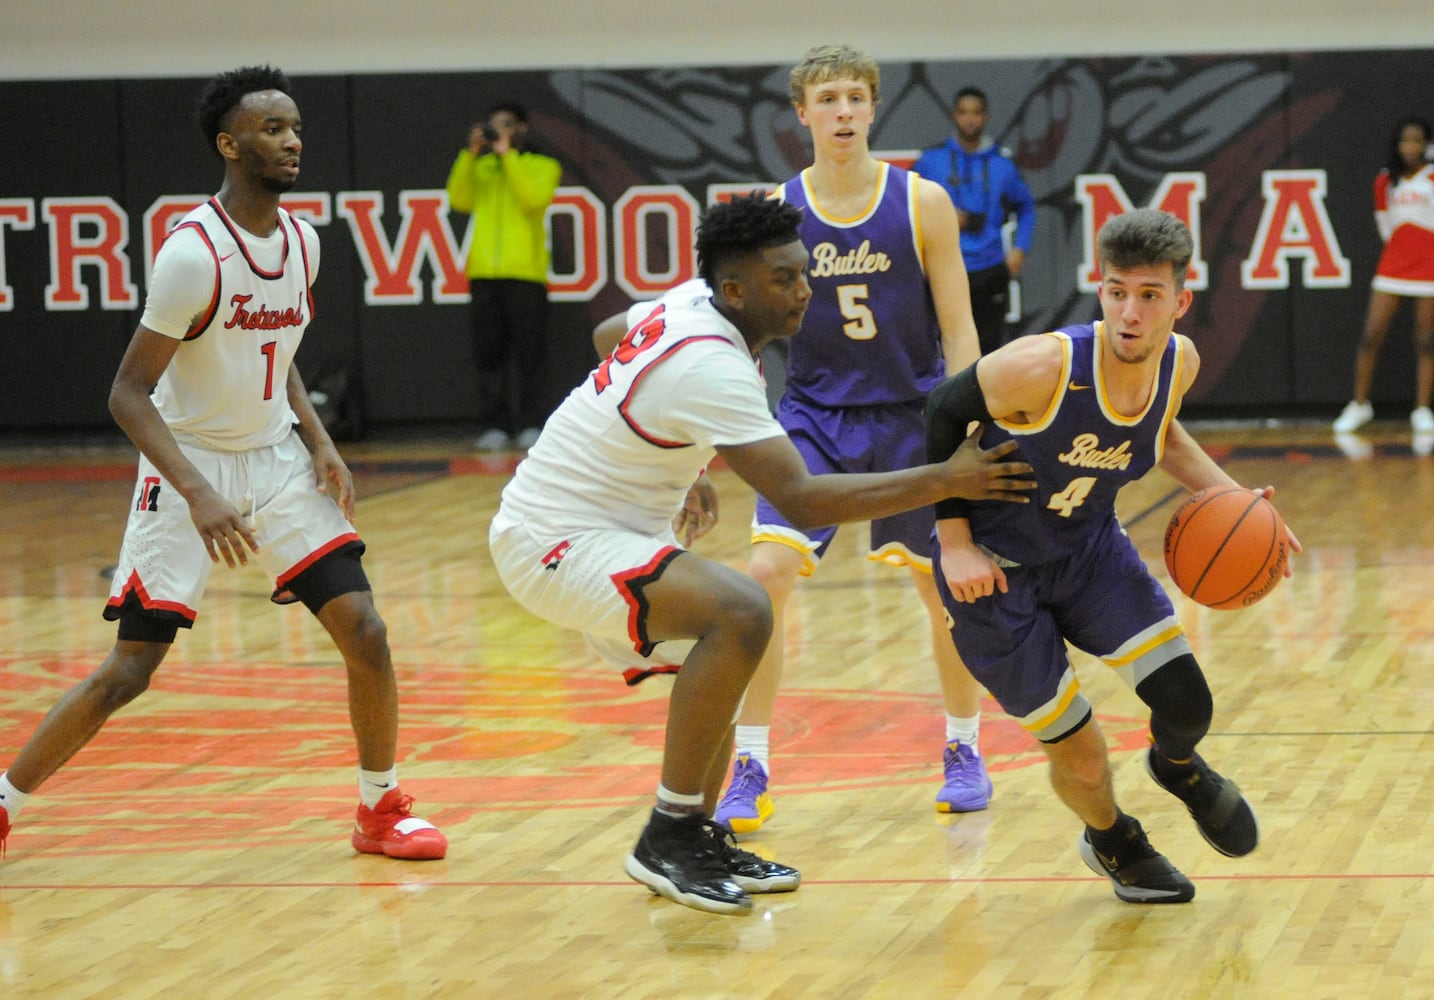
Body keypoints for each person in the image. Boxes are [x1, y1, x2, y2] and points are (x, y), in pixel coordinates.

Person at [489, 194, 1034, 916]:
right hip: (554, 540)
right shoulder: (709, 363)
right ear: (737, 289)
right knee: (743, 609)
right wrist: (946, 479)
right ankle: (665, 838)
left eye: (804, 272)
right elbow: (804, 500)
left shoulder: (695, 299)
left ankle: (694, 835)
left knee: (723, 658)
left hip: (608, 530)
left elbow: (607, 335)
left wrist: (687, 460)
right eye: (785, 278)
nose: (807, 288)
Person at [0, 66, 446, 863]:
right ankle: (3, 804)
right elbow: (128, 393)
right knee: (129, 672)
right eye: (273, 128)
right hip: (188, 465)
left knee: (367, 631)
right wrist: (199, 494)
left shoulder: (304, 242)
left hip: (274, 459)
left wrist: (319, 441)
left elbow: (279, 357)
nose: (293, 139)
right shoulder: (192, 254)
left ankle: (379, 807)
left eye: (297, 126)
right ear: (229, 143)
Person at [925, 208, 1302, 903]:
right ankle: (1114, 840)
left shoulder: (1177, 362)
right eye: (1117, 291)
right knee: (1088, 760)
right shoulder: (1041, 366)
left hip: (1088, 550)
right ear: (1100, 289)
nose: (1130, 311)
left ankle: (1179, 767)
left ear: (1180, 303)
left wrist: (1246, 507)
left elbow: (1163, 433)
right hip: (996, 576)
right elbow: (943, 413)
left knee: (1188, 705)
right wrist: (953, 544)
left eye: (1150, 295)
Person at [715, 44, 997, 838]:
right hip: (811, 417)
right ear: (801, 113)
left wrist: (968, 422)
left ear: (873, 110)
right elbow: (743, 339)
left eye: (854, 98)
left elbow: (958, 325)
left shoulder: (922, 202)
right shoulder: (775, 211)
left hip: (913, 415)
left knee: (947, 589)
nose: (842, 112)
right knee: (764, 575)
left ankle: (963, 747)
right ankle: (751, 762)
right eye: (826, 99)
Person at [445, 102, 562, 452]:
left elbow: (532, 199)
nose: (500, 131)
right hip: (484, 272)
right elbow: (458, 198)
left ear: (522, 128)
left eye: (507, 125)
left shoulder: (542, 165)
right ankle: (493, 423)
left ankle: (531, 421)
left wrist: (508, 155)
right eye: (493, 125)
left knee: (530, 355)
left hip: (526, 273)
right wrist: (471, 153)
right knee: (489, 355)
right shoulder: (479, 167)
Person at [913, 85, 1036, 356]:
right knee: (943, 346)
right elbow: (908, 208)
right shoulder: (931, 161)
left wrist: (1019, 249)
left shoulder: (1002, 164)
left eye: (976, 113)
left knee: (990, 350)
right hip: (944, 266)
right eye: (964, 113)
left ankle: (984, 400)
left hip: (990, 267)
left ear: (986, 117)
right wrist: (939, 217)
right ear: (954, 116)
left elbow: (1026, 207)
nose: (970, 119)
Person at [1331, 116, 1434, 436]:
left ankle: (1422, 409)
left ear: (1426, 144)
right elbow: (1385, 227)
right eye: (1406, 141)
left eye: (1418, 140)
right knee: (1370, 336)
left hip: (1429, 265)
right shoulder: (1385, 182)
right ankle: (1360, 405)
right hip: (1393, 265)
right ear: (1397, 144)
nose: (1411, 147)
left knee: (1426, 340)